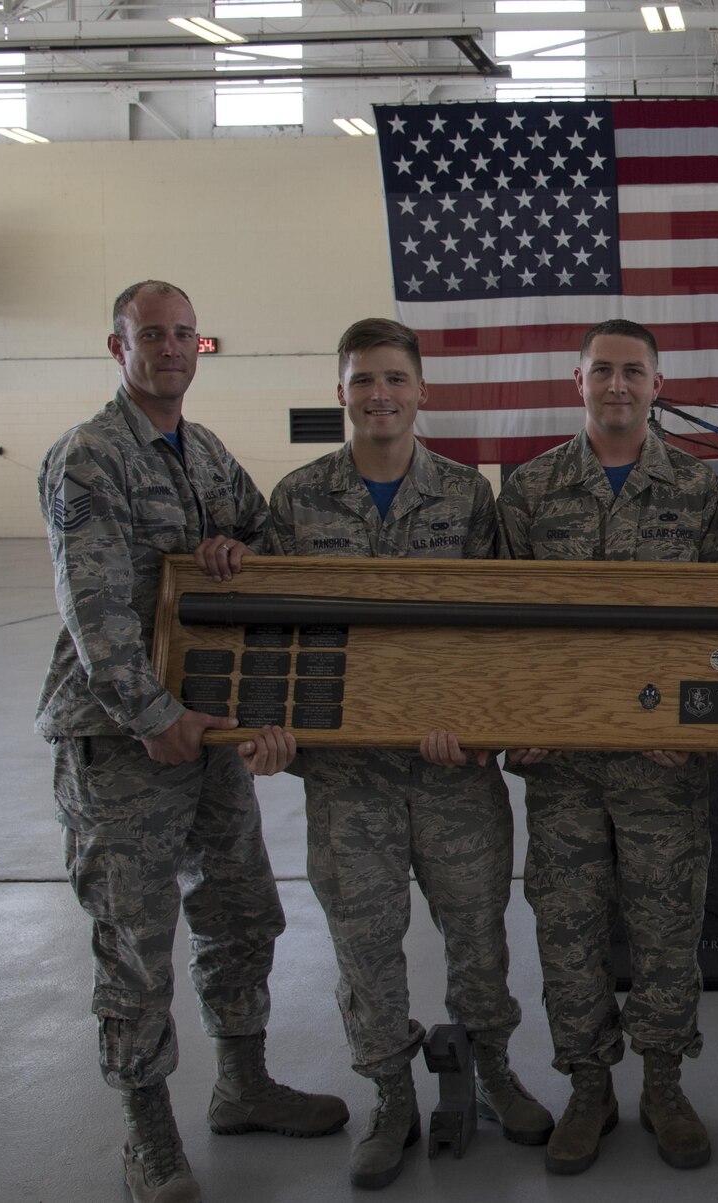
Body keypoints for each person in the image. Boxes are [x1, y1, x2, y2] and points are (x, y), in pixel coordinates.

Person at [35, 281, 346, 1203]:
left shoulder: (202, 452)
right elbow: (91, 609)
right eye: (152, 336)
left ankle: (241, 1083)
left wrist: (235, 551)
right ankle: (147, 1132)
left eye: (183, 336)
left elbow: (257, 534)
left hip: (204, 724)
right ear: (117, 346)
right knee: (136, 936)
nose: (170, 349)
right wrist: (151, 714)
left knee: (241, 906)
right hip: (122, 736)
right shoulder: (90, 456)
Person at [235, 318, 550, 1191]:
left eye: (394, 380)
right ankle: (388, 1097)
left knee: (478, 940)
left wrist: (477, 727)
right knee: (364, 948)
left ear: (421, 392)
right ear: (340, 391)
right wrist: (275, 738)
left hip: (452, 775)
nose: (380, 396)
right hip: (347, 783)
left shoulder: (467, 497)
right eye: (363, 380)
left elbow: (494, 633)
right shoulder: (296, 500)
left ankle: (494, 1072)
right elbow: (275, 634)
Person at [496, 318, 718, 1175]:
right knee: (567, 928)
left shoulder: (699, 491)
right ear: (577, 381)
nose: (619, 386)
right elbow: (503, 631)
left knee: (668, 926)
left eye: (635, 372)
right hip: (562, 764)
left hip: (660, 764)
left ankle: (663, 1082)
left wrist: (695, 735)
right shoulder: (527, 490)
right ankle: (588, 1083)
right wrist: (515, 728)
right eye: (604, 371)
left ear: (658, 384)